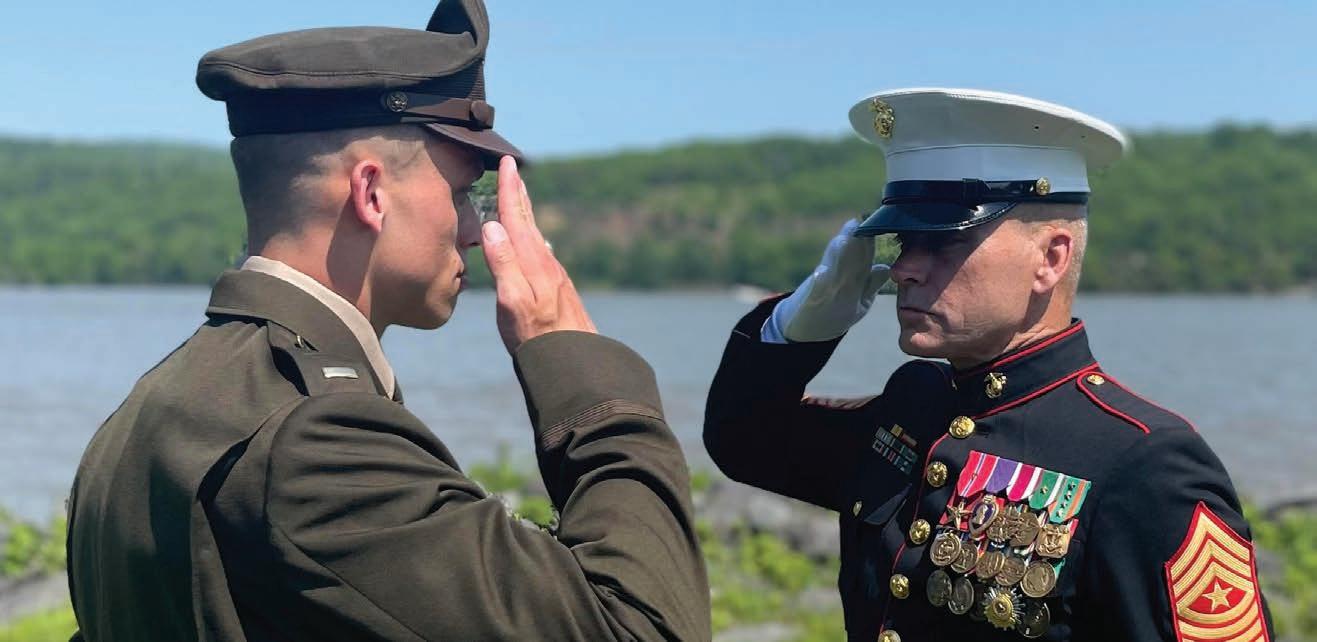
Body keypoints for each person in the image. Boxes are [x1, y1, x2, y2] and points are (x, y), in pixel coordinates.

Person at [65, 1, 710, 640]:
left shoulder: (149, 408)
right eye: (461, 193)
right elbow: (641, 630)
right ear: (370, 193)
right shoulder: (315, 446)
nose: (475, 230)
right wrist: (577, 371)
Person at [704, 88, 1272, 641]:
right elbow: (744, 440)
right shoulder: (916, 404)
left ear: (1050, 258)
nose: (904, 269)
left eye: (943, 241)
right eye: (904, 241)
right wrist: (799, 326)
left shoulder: (1144, 464)